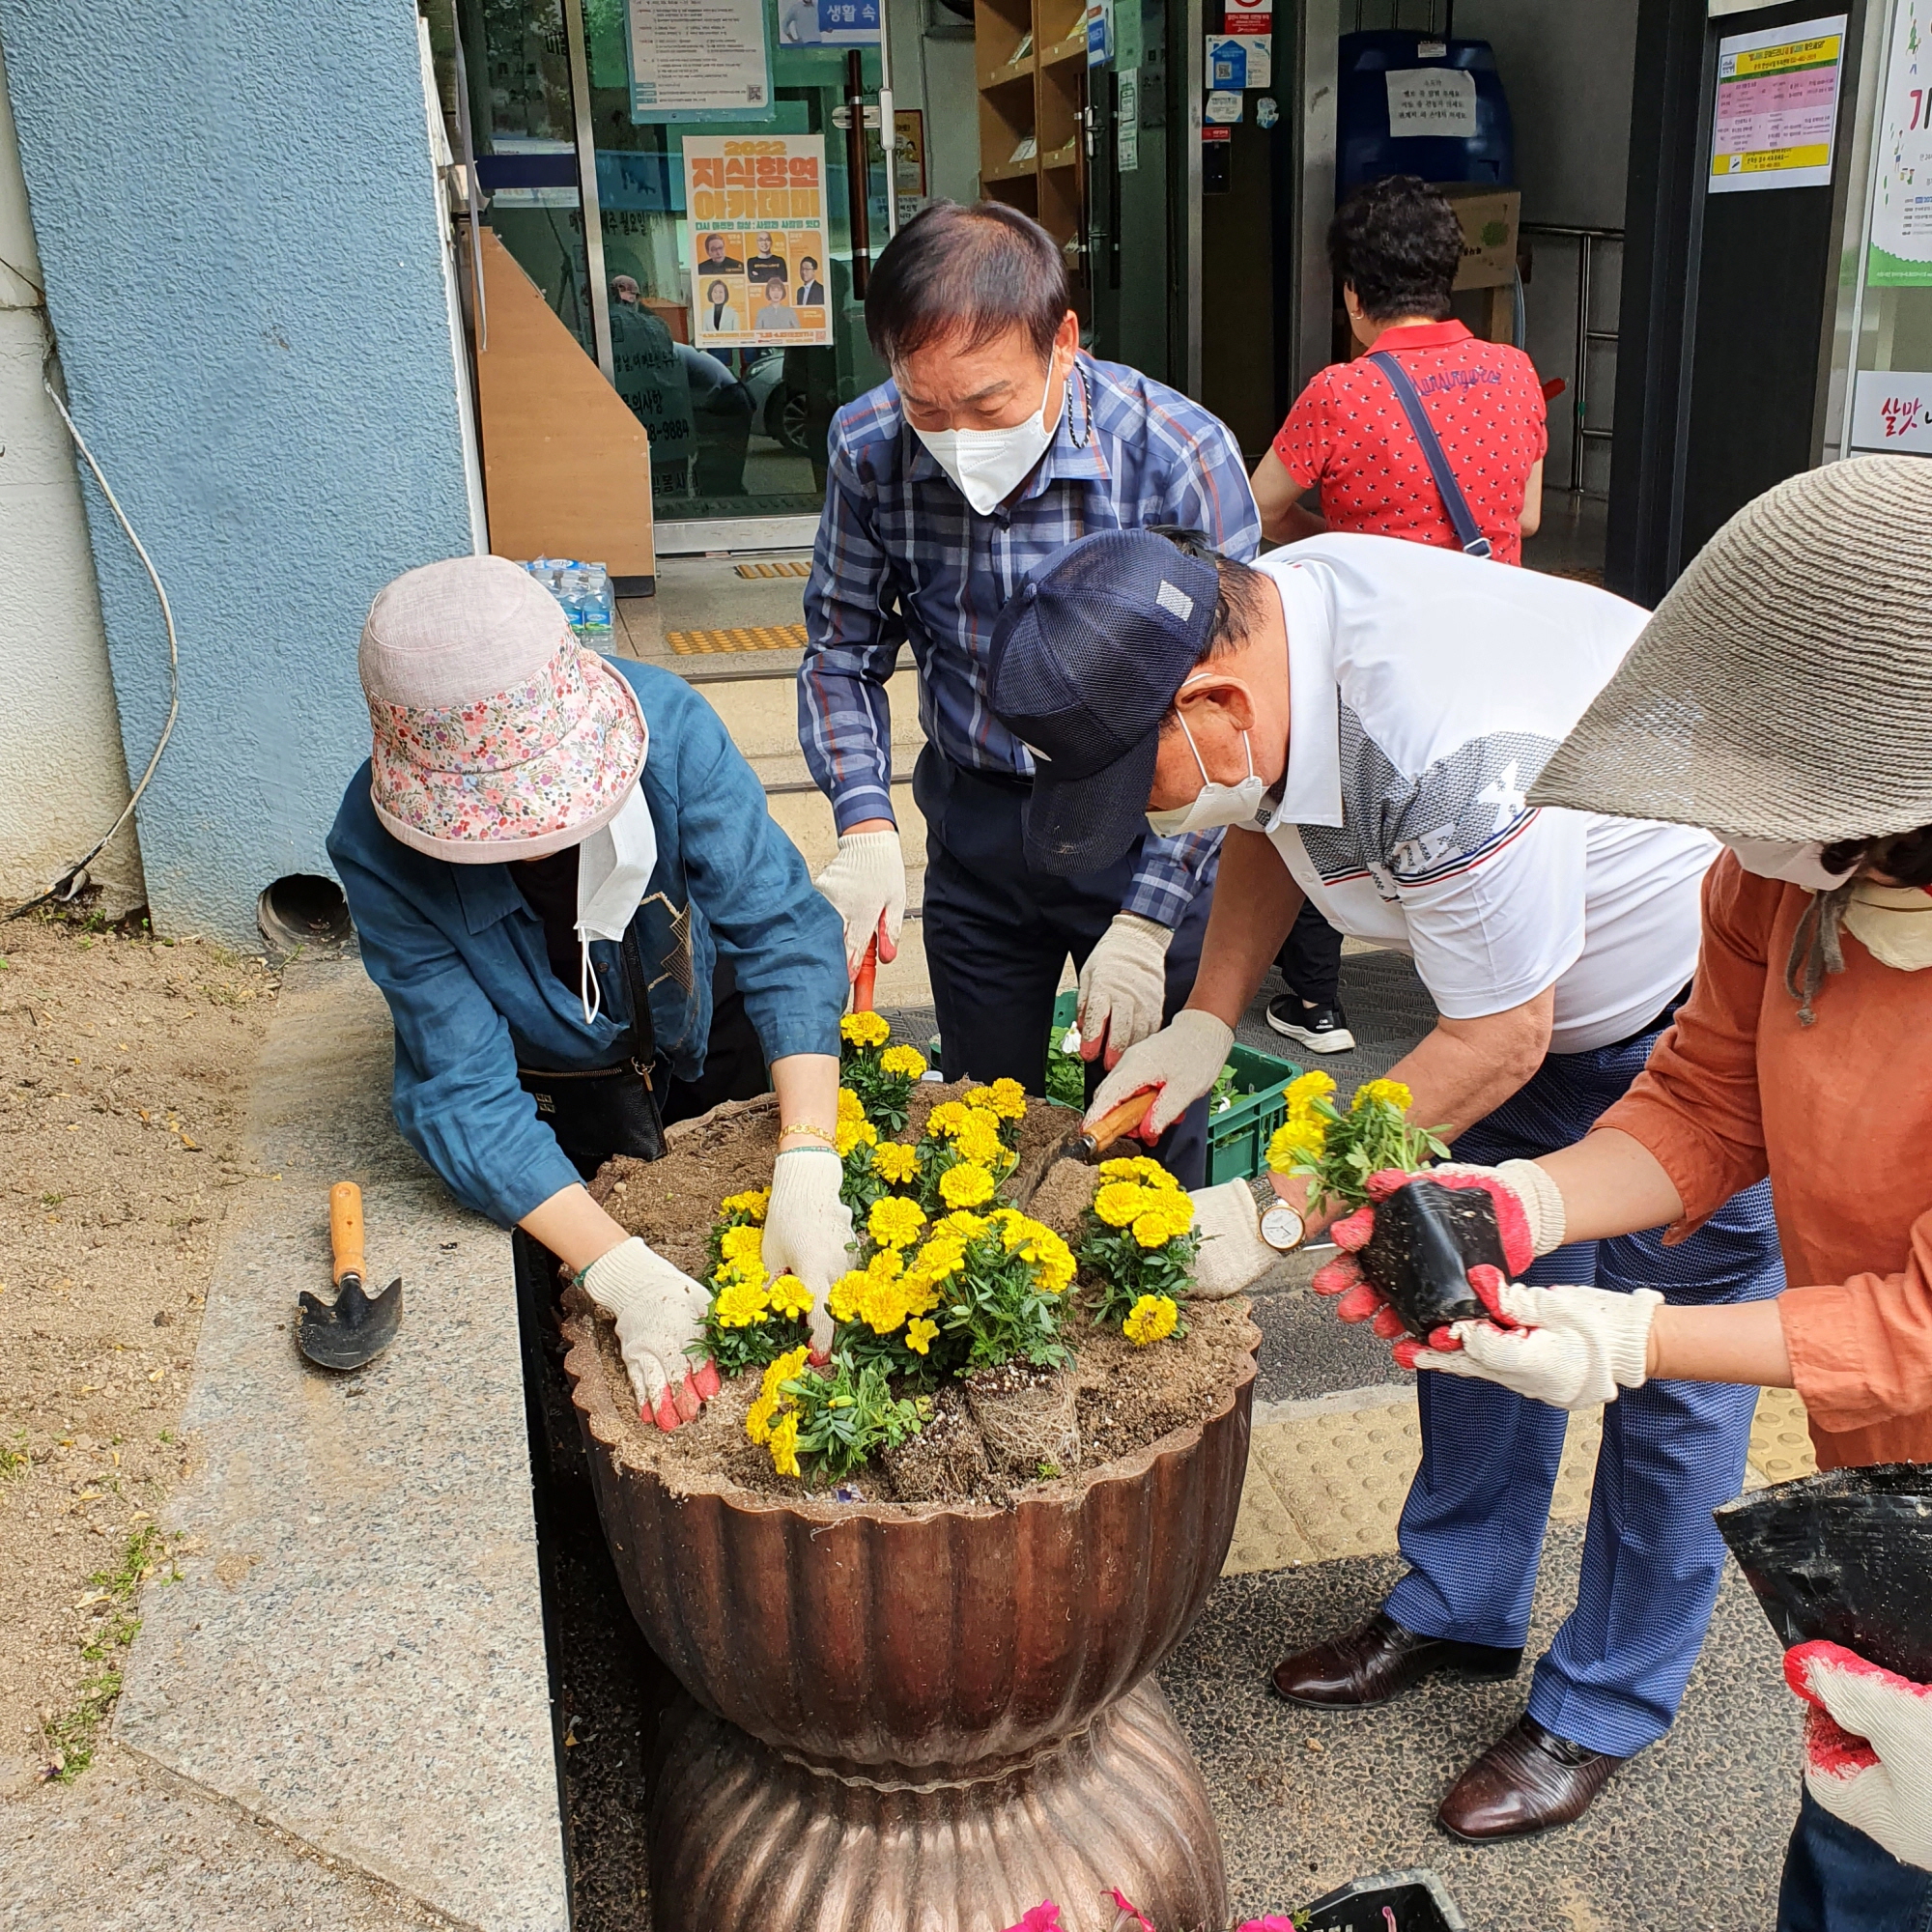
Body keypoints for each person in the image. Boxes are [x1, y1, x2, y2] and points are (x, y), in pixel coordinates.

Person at [985, 524, 1784, 1837]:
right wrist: (1209, 1017)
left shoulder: (1440, 745)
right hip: (1509, 994)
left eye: (1141, 787)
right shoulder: (1279, 647)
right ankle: (1457, 1606)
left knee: (1667, 1366)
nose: (1147, 819)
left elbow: (1504, 1040)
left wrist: (1281, 1202)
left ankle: (1603, 1700)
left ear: (1214, 702)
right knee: (1453, 1300)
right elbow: (1267, 825)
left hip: (1677, 1024)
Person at [1313, 457, 1932, 1927]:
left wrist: (1634, 1341)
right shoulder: (1787, 884)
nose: (1729, 836)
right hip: (1890, 1480)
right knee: (1864, 1828)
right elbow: (1708, 1098)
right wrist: (1524, 1203)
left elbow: (1918, 1319)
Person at [327, 556, 850, 1435]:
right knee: (581, 1287)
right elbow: (462, 1091)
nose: (539, 846)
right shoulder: (378, 850)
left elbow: (782, 929)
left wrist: (806, 1152)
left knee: (758, 1205)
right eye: (500, 830)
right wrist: (619, 1272)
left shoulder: (672, 729)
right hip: (557, 1074)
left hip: (692, 1006)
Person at [797, 200, 1260, 1186]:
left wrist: (1146, 920)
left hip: (1146, 812)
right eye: (928, 408)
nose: (956, 436)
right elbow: (841, 650)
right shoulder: (868, 447)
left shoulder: (1174, 456)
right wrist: (865, 825)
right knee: (977, 1120)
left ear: (1061, 341)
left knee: (1142, 1124)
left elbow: (1230, 714)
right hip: (978, 825)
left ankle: (1155, 1313)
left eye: (988, 404)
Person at [1248, 175, 1550, 1062]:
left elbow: (1262, 506)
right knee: (1488, 804)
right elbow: (1524, 519)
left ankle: (1316, 1002)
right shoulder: (1515, 372)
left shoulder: (1341, 393)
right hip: (1493, 641)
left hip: (1380, 655)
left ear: (1352, 293)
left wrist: (1337, 538)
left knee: (1317, 798)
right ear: (1448, 277)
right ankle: (1482, 989)